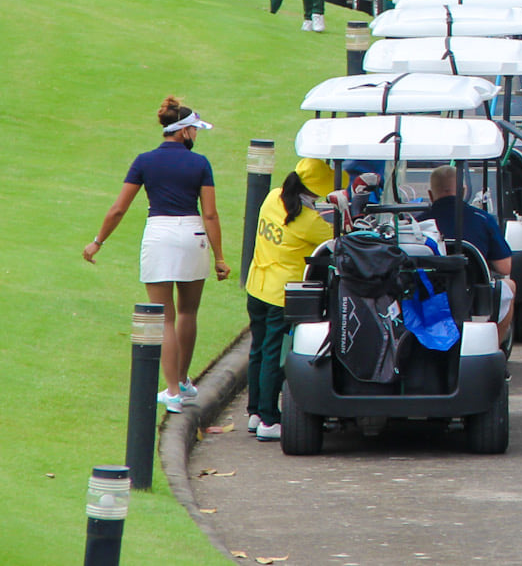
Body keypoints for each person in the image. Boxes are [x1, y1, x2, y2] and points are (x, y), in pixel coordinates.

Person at [84, 99, 230, 413]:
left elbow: (118, 208)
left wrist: (98, 242)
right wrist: (219, 258)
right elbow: (211, 215)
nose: (197, 135)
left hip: (159, 235)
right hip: (193, 235)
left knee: (165, 318)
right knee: (188, 312)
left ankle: (173, 390)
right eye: (195, 130)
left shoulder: (144, 161)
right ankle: (182, 382)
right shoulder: (200, 163)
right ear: (184, 131)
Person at [244, 158, 336, 441]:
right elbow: (339, 239)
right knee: (275, 355)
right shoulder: (310, 222)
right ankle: (269, 419)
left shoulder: (273, 197)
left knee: (258, 349)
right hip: (281, 295)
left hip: (257, 285)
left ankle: (255, 411)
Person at [425, 165, 517, 346]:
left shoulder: (419, 222)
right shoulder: (482, 219)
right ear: (464, 191)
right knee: (509, 285)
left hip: (429, 296)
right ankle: (495, 346)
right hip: (473, 296)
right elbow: (505, 267)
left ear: (430, 194)